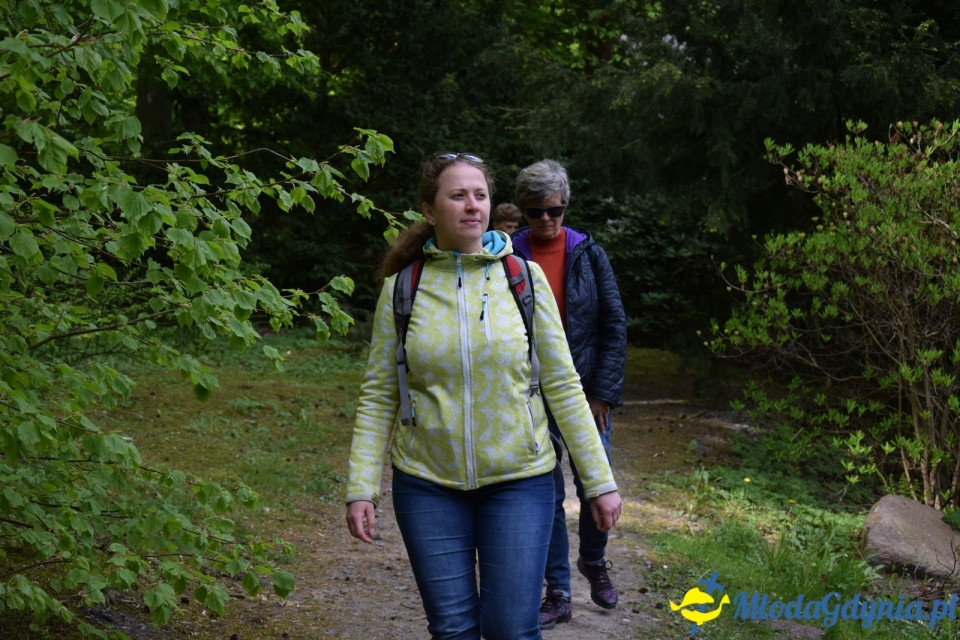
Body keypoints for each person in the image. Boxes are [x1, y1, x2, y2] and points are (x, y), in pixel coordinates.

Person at [345, 152, 622, 640]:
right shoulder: (401, 289)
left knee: (511, 630)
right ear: (430, 210)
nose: (472, 205)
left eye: (480, 195)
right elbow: (379, 395)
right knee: (452, 630)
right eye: (458, 195)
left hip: (520, 479)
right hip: (427, 483)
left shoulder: (524, 278)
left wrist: (598, 481)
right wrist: (361, 486)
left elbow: (562, 383)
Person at [511, 159, 628, 630]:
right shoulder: (506, 254)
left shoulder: (588, 252)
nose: (545, 220)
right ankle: (557, 590)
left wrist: (602, 393)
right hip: (528, 393)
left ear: (566, 206)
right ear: (522, 210)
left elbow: (613, 324)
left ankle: (593, 562)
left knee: (593, 482)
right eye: (535, 211)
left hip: (583, 392)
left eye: (554, 210)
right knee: (547, 493)